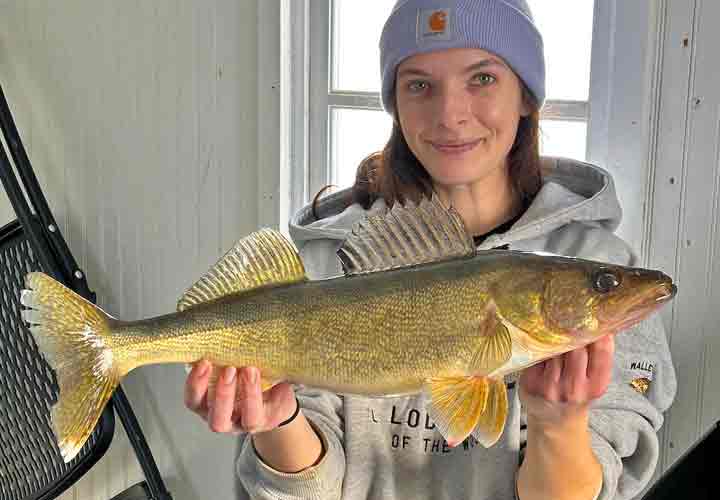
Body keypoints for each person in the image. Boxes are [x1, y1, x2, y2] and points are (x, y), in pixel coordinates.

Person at [184, 1, 677, 499]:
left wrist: (560, 426)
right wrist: (275, 420)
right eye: (419, 84)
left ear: (526, 95)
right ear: (395, 102)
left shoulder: (600, 257)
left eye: (482, 79)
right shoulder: (322, 270)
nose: (450, 115)